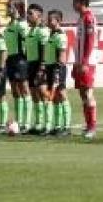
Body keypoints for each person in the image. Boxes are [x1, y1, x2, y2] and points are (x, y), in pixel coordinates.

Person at [73, 0, 98, 139]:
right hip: (81, 62)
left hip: (88, 62)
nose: (73, 5)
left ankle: (92, 127)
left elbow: (90, 41)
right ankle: (88, 125)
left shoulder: (89, 18)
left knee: (88, 93)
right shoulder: (80, 18)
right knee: (82, 93)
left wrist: (85, 62)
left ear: (81, 2)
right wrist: (76, 63)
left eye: (75, 2)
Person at [3, 0, 30, 133]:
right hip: (10, 60)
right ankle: (19, 121)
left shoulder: (22, 25)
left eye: (9, 7)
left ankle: (27, 122)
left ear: (17, 9)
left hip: (20, 59)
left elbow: (28, 42)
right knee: (15, 91)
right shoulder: (9, 25)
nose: (7, 9)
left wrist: (27, 59)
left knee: (24, 89)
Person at [44, 9, 71, 137]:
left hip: (57, 68)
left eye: (50, 20)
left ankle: (67, 126)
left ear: (58, 21)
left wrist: (56, 71)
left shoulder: (60, 35)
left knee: (61, 93)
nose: (48, 22)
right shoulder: (52, 34)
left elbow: (62, 55)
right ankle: (57, 125)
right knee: (54, 96)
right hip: (49, 67)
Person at [25, 3, 49, 134]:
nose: (28, 16)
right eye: (27, 14)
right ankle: (39, 123)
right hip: (31, 64)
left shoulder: (42, 30)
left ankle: (49, 123)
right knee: (34, 94)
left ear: (39, 15)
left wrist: (42, 66)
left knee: (43, 93)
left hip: (40, 65)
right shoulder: (31, 30)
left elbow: (44, 49)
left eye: (30, 14)